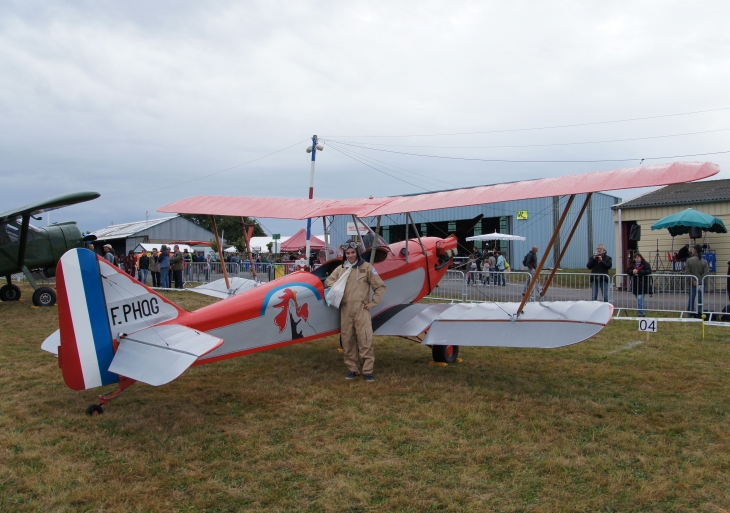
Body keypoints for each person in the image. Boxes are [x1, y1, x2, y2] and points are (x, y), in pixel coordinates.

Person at [324, 240, 386, 383]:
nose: (350, 255)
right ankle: (353, 369)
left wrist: (372, 303)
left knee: (365, 340)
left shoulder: (367, 268)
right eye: (348, 253)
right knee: (347, 340)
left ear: (357, 253)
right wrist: (338, 287)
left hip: (361, 309)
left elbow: (380, 287)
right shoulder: (341, 269)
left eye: (352, 252)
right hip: (345, 309)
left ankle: (368, 371)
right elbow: (328, 281)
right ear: (345, 255)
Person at [686, 245, 709, 318]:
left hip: (692, 282)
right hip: (701, 283)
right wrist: (700, 281)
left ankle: (690, 314)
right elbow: (706, 273)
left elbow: (687, 272)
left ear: (695, 250)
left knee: (691, 299)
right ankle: (699, 314)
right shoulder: (704, 261)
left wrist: (693, 281)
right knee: (700, 299)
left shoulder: (689, 260)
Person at [627, 252, 652, 317]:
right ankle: (642, 311)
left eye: (638, 258)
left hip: (643, 284)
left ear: (641, 258)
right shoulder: (632, 265)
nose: (637, 259)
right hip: (635, 284)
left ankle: (642, 314)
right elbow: (628, 271)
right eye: (635, 258)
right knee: (639, 299)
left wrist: (638, 272)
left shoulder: (645, 264)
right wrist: (632, 272)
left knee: (640, 298)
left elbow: (648, 271)